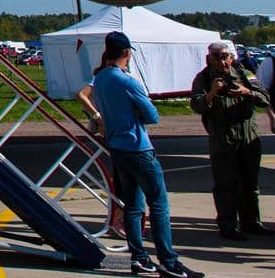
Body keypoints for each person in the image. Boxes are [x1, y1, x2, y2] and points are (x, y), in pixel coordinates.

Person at [90, 31, 203, 278]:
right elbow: (152, 115)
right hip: (138, 147)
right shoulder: (128, 81)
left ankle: (139, 257)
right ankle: (168, 260)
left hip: (117, 147)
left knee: (133, 206)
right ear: (127, 53)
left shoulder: (99, 79)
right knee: (159, 204)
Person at [190, 40, 270, 240]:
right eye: (216, 57)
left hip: (248, 137)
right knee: (226, 185)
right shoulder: (203, 78)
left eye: (224, 56)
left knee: (250, 184)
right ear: (209, 59)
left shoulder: (244, 74)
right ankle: (227, 226)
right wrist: (212, 93)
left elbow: (265, 99)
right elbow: (197, 105)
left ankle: (251, 222)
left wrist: (246, 92)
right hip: (223, 140)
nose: (221, 61)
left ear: (231, 57)